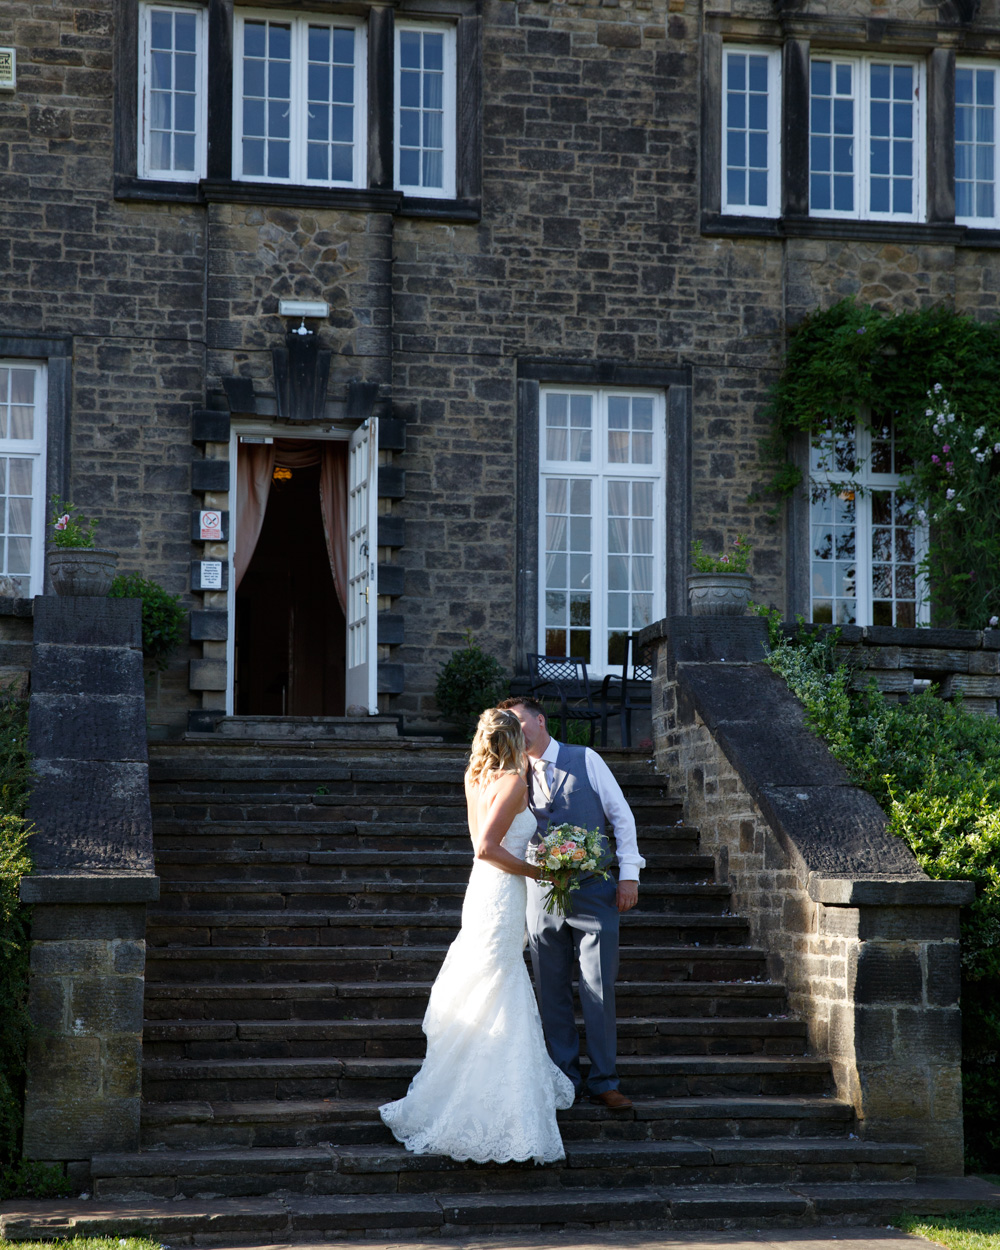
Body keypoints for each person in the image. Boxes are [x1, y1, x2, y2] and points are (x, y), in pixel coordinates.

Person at [379, 707, 575, 1163]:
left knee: (487, 982)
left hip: (481, 891)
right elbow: (488, 849)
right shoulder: (513, 783)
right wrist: (541, 870)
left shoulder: (475, 778)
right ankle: (496, 1103)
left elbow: (481, 846)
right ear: (513, 740)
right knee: (500, 983)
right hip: (501, 890)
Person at [498, 697, 643, 1110]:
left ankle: (604, 1080)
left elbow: (621, 816)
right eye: (507, 724)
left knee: (599, 986)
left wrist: (629, 875)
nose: (516, 729)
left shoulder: (586, 758)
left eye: (520, 721)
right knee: (551, 987)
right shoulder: (510, 774)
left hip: (595, 889)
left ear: (540, 721)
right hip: (540, 894)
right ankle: (563, 1078)